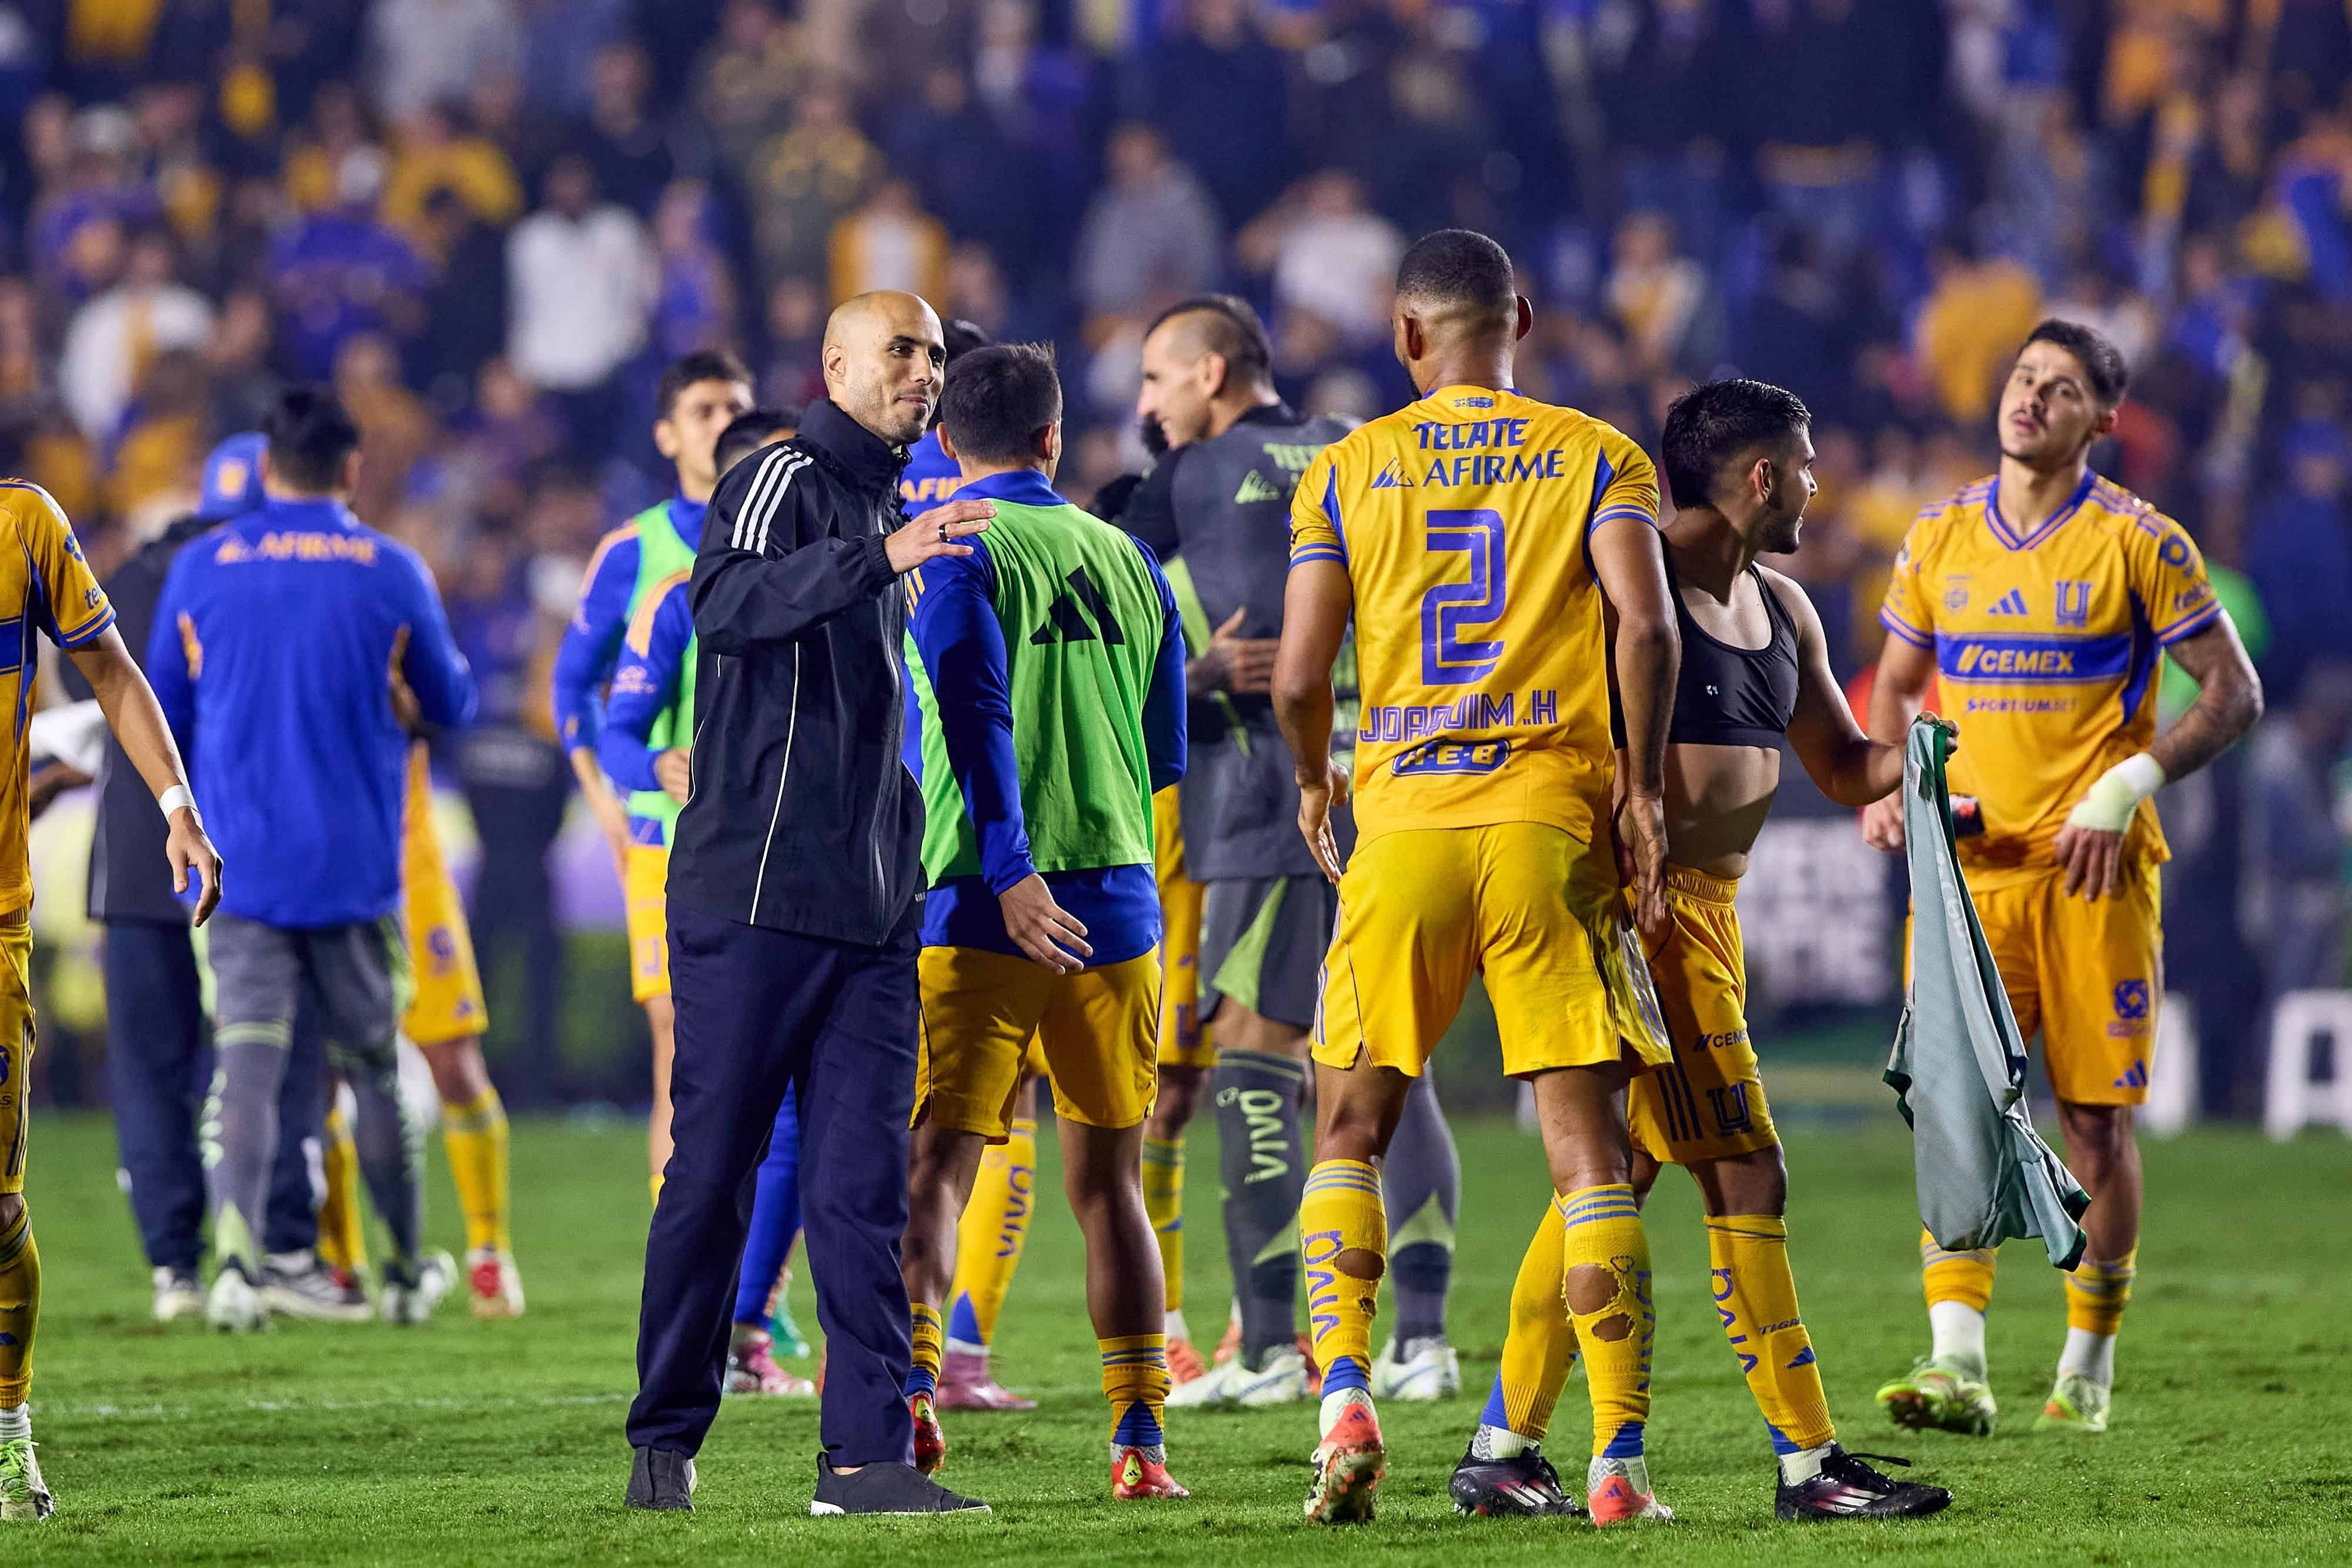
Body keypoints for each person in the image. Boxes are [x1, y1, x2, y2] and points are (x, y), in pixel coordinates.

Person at [1451, 380, 1952, 1522]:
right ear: (1760, 476)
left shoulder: (1786, 607)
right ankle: (1806, 1463)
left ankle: (1501, 1443)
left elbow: (1841, 764)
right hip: (1635, 911)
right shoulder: (1623, 591)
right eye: (1807, 465)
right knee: (1743, 1166)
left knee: (1614, 1176)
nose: (1821, 485)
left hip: (1708, 915)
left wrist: (1923, 750)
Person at [1271, 229, 1682, 1527]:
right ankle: (1614, 1464)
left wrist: (1311, 777)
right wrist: (1641, 786)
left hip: (1400, 826)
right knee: (1589, 1158)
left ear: (1404, 335)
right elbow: (1649, 623)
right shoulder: (1596, 455)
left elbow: (1295, 677)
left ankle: (1344, 1390)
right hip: (1546, 827)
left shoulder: (1343, 469)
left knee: (1347, 1128)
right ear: (1521, 315)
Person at [623, 290, 992, 1519]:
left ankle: (863, 1457)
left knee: (860, 1187)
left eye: (934, 354)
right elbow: (720, 609)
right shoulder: (783, 471)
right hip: (757, 891)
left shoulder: (901, 495)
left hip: (873, 906)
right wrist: (877, 558)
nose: (923, 370)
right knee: (715, 1171)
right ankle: (665, 1436)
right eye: (901, 349)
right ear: (836, 362)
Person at [1863, 320, 2263, 1437]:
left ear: (2102, 421)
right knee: (1957, 1117)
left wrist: (2128, 784)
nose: (2032, 396)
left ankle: (2086, 1365)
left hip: (2093, 872)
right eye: (2024, 377)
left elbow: (2234, 692)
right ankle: (1957, 1366)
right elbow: (1894, 688)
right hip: (1973, 878)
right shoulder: (1939, 536)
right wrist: (1895, 785)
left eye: (2062, 387)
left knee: (2094, 1129)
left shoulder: (2142, 542)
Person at [1131, 293, 1463, 1407]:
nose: (1148, 406)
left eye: (1156, 382)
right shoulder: (1359, 448)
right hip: (1401, 780)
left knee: (1256, 1055)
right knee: (1385, 1051)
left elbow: (1112, 603)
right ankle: (1422, 1338)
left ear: (1213, 374)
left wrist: (1190, 681)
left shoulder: (1192, 477)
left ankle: (1273, 1346)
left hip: (1273, 802)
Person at [895, 343, 1188, 1499]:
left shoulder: (958, 552)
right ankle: (1137, 1440)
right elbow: (1163, 754)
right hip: (1114, 902)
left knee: (937, 1168)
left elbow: (973, 717)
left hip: (981, 899)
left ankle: (912, 1398)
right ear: (1055, 441)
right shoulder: (1128, 559)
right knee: (1108, 1182)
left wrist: (1011, 865)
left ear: (941, 446)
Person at [149, 384, 477, 1332]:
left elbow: (160, 711)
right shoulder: (390, 567)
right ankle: (407, 1271)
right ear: (351, 467)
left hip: (237, 862)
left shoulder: (205, 566)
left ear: (265, 468)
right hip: (356, 863)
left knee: (245, 1063)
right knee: (375, 1066)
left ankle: (238, 1270)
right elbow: (451, 704)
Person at [0, 473, 222, 1520]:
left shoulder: (24, 522)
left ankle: (7, 1438)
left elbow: (111, 671)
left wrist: (176, 803)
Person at [78, 437, 339, 1323]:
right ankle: (277, 1245)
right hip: (243, 855)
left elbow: (93, 701)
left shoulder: (127, 575)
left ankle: (174, 1267)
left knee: (150, 1069)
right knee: (268, 1051)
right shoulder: (271, 572)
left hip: (135, 854)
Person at [600, 405, 812, 1396]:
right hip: (701, 864)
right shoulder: (677, 596)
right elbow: (615, 721)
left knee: (813, 1118)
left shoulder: (841, 579)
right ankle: (707, 1317)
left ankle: (751, 1321)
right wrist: (656, 761)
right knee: (705, 1087)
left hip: (819, 870)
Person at [549, 349, 753, 1204]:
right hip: (665, 835)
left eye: (734, 410)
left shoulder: (790, 540)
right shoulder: (637, 550)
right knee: (680, 1036)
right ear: (668, 434)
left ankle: (757, 1277)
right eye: (704, 411)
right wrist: (606, 791)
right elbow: (572, 683)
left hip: (767, 833)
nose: (721, 426)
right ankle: (688, 1257)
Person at [898, 319, 1046, 1415]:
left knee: (937, 1138)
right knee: (1027, 1135)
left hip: (928, 858)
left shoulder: (909, 526)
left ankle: (912, 1375)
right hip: (1045, 866)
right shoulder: (1092, 542)